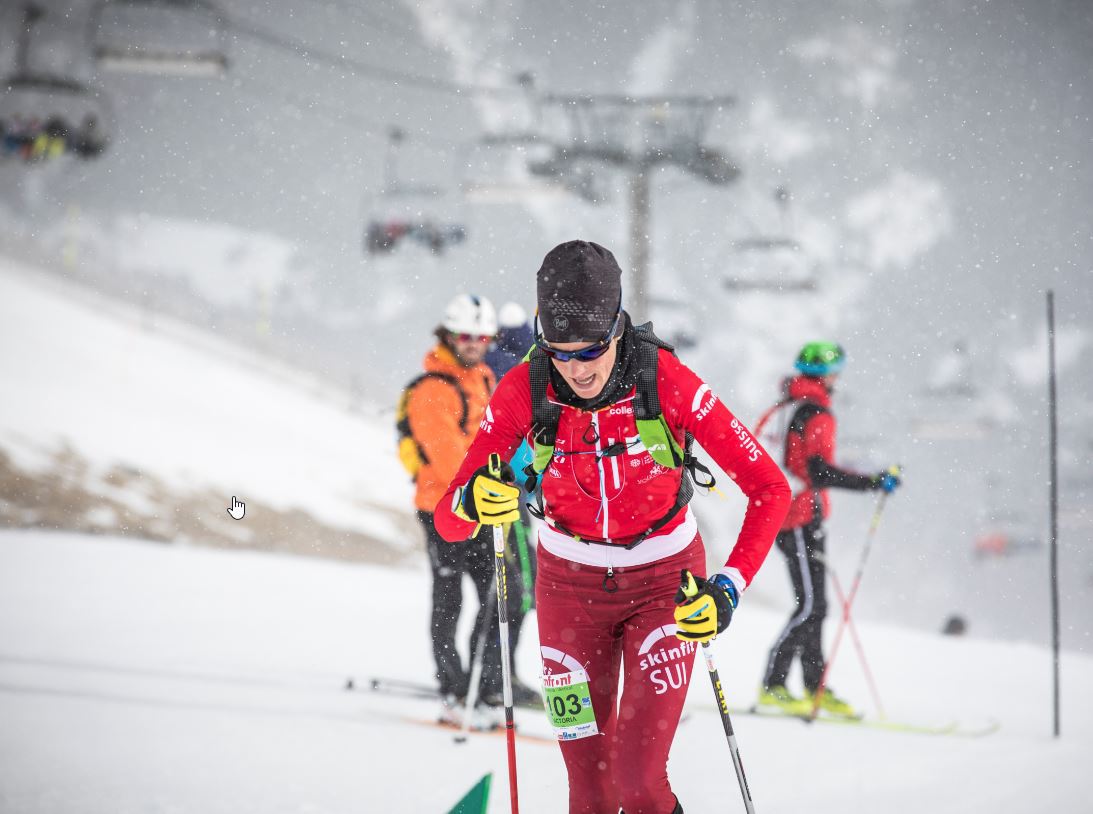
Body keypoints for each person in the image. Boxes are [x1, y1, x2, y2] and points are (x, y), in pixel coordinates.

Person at [433, 241, 791, 814]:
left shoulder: (667, 381)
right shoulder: (524, 388)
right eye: (559, 352)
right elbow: (449, 521)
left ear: (617, 327)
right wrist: (474, 501)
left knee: (639, 785)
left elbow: (771, 489)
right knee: (591, 795)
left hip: (663, 587)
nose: (576, 369)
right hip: (567, 592)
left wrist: (728, 588)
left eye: (591, 350)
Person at [404, 293, 531, 728]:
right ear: (448, 334)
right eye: (465, 335)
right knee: (449, 599)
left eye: (481, 336)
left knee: (507, 595)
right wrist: (494, 484)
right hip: (445, 509)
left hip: (485, 509)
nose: (474, 343)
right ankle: (454, 689)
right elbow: (449, 458)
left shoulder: (482, 379)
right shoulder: (433, 389)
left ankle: (487, 684)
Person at [757, 342, 902, 718]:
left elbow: (805, 464)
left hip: (786, 514)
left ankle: (811, 687)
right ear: (830, 376)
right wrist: (872, 482)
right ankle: (774, 684)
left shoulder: (789, 406)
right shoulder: (817, 413)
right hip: (799, 518)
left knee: (816, 606)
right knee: (811, 605)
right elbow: (819, 470)